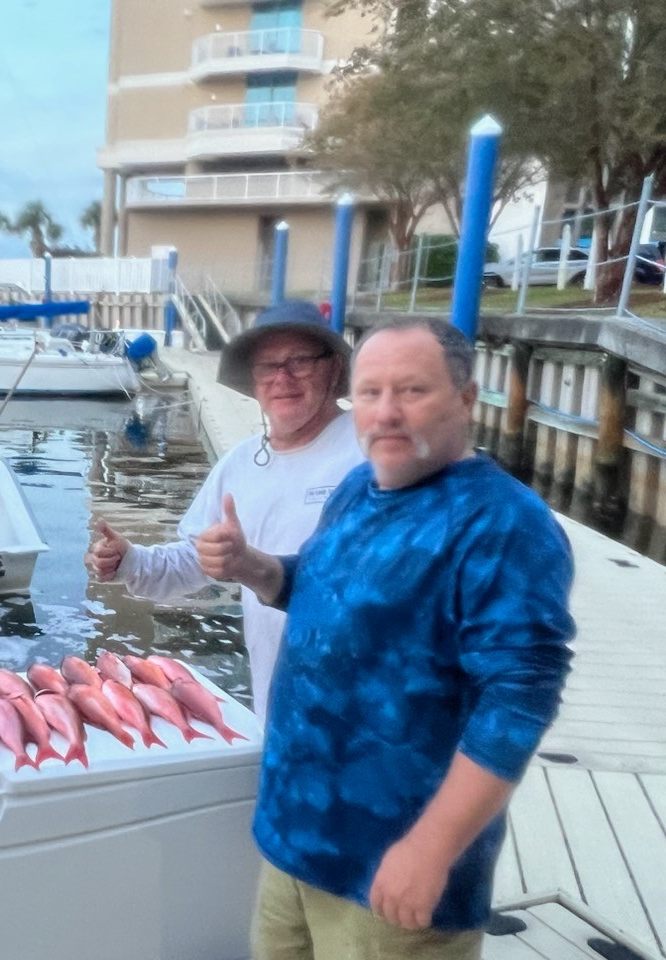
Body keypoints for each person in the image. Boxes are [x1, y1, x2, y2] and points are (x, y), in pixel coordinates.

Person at [196, 316, 575, 959]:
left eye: (412, 391)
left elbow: (519, 700)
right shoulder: (357, 487)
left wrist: (432, 848)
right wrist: (253, 567)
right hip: (296, 840)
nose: (386, 413)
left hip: (393, 872)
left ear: (464, 398)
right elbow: (318, 589)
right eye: (370, 393)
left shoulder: (505, 524)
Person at [86, 300, 364, 723]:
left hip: (371, 716)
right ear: (252, 382)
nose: (282, 377)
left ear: (336, 371)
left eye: (301, 362)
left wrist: (251, 566)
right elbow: (192, 563)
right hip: (280, 713)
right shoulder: (239, 463)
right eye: (267, 366)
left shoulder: (371, 449)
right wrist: (131, 561)